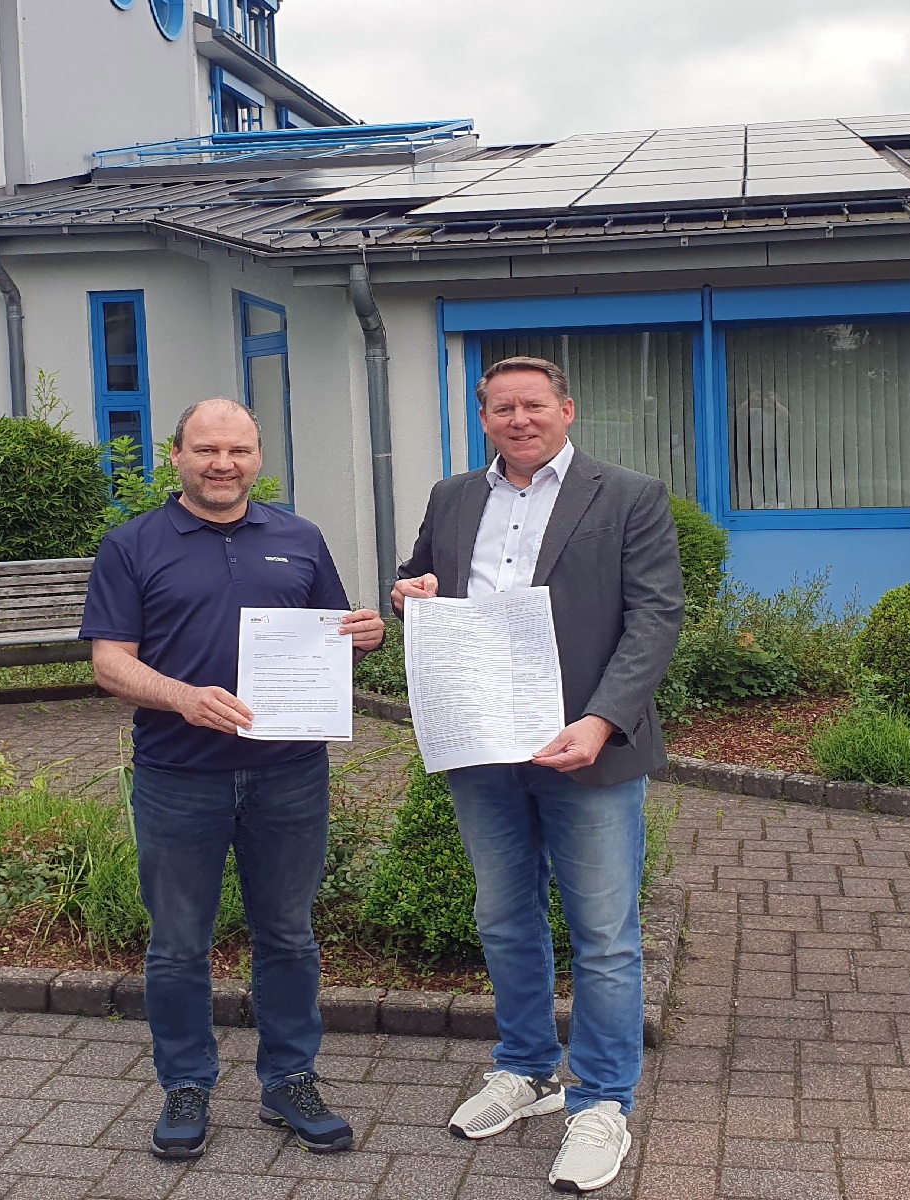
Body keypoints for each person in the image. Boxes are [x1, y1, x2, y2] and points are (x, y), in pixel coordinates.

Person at [392, 357, 684, 1194]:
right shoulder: (454, 497)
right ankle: (522, 1070)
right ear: (483, 418)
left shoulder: (628, 494)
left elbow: (656, 614)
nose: (519, 419)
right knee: (504, 916)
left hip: (585, 745)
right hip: (483, 746)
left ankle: (600, 1102)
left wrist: (601, 720)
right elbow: (426, 581)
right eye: (501, 408)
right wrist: (413, 593)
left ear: (567, 409)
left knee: (603, 934)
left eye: (534, 405)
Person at [82, 398, 385, 1161]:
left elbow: (329, 642)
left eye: (240, 450)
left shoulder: (299, 537)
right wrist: (184, 697)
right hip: (178, 776)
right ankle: (186, 1084)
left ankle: (290, 1080)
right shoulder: (132, 545)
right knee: (179, 944)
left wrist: (365, 635)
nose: (225, 464)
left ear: (258, 457)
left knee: (287, 935)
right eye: (208, 449)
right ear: (177, 455)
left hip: (288, 774)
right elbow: (109, 661)